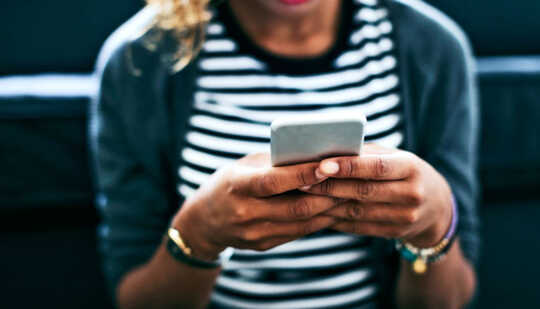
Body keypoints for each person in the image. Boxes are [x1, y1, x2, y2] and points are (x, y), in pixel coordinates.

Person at [90, 0, 479, 308]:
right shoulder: (141, 60)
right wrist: (199, 234)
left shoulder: (431, 49)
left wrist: (436, 226)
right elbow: (137, 295)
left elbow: (450, 299)